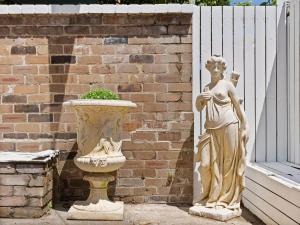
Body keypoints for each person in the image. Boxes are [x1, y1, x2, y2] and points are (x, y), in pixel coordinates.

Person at [195, 55, 249, 211]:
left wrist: (244, 126)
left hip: (229, 125)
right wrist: (199, 98)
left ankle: (224, 199)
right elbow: (199, 108)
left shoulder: (227, 85)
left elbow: (238, 108)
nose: (215, 70)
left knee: (227, 163)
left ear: (223, 69)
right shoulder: (206, 87)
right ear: (208, 68)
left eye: (218, 67)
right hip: (211, 130)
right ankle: (211, 196)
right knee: (207, 165)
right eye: (213, 67)